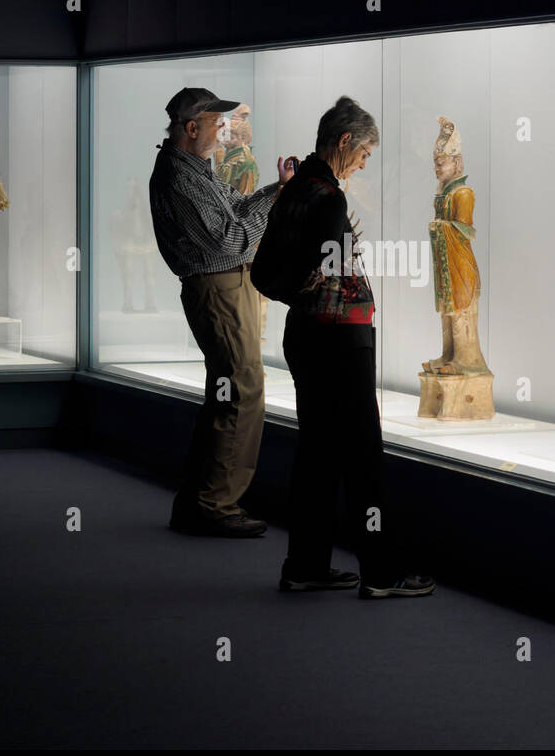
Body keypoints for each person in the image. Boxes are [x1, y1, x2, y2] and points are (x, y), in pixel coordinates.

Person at [253, 95, 435, 598]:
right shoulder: (328, 199)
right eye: (364, 153)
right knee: (363, 456)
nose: (363, 162)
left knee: (317, 453)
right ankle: (381, 572)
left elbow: (268, 272)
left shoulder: (295, 190)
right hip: (338, 340)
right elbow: (326, 273)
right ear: (344, 142)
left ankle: (306, 565)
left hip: (306, 335)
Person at [149, 86, 296, 538]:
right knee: (242, 387)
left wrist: (277, 191)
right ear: (191, 128)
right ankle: (214, 504)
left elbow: (236, 210)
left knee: (230, 389)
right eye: (217, 123)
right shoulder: (179, 177)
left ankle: (203, 500)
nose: (224, 130)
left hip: (227, 286)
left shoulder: (195, 168)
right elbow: (231, 240)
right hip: (217, 289)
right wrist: (274, 203)